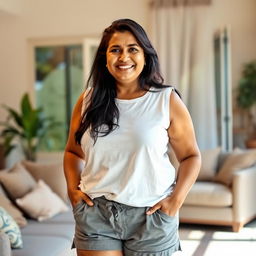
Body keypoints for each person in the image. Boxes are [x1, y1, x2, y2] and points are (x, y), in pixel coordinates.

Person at [63, 18, 201, 256]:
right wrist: (72, 191)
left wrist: (175, 200)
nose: (123, 57)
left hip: (151, 216)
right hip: (96, 213)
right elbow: (73, 152)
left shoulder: (166, 100)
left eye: (132, 49)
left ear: (145, 56)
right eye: (115, 50)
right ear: (105, 59)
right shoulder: (87, 100)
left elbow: (190, 156)